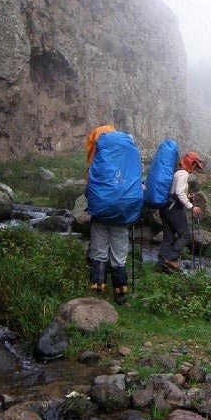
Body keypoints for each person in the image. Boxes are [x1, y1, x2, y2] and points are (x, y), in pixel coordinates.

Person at [86, 125, 143, 305]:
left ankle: (97, 287)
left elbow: (89, 189)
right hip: (122, 216)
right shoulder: (127, 162)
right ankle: (120, 292)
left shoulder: (100, 163)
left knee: (99, 251)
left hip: (101, 215)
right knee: (119, 255)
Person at [158, 151, 205, 272]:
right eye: (195, 166)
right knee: (186, 235)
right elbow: (178, 192)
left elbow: (175, 192)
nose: (194, 169)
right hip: (173, 209)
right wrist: (191, 207)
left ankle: (161, 263)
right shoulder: (183, 174)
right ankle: (171, 258)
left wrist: (187, 196)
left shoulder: (177, 173)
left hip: (165, 208)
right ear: (190, 163)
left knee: (168, 236)